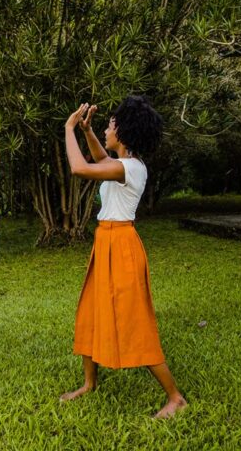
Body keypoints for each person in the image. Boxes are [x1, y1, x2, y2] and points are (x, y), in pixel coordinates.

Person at [60, 96, 187, 419]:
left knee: (133, 321)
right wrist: (87, 132)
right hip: (106, 242)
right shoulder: (124, 165)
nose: (106, 129)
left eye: (110, 125)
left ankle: (175, 397)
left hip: (122, 245)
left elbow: (80, 168)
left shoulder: (129, 168)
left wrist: (70, 127)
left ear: (124, 132)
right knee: (90, 312)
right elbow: (101, 158)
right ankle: (89, 383)